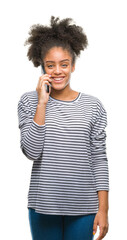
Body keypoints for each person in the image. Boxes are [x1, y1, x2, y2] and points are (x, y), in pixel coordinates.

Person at [17, 16, 109, 240]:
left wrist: (103, 209)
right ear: (42, 67)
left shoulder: (93, 106)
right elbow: (31, 151)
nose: (58, 71)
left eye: (64, 64)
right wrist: (42, 102)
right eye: (50, 65)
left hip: (84, 207)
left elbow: (99, 158)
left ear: (73, 65)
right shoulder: (29, 102)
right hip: (43, 205)